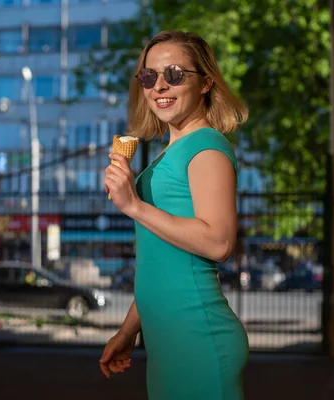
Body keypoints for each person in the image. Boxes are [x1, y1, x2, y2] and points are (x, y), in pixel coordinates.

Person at [101, 30, 250, 399]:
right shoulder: (170, 152)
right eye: (149, 76)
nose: (159, 86)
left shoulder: (207, 146)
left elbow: (218, 242)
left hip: (196, 338)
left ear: (205, 83)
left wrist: (134, 205)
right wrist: (129, 329)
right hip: (169, 341)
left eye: (175, 74)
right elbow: (163, 261)